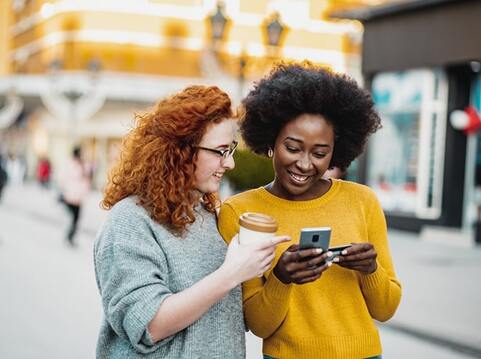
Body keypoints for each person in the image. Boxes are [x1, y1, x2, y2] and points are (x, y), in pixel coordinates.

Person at [218, 63, 402, 359]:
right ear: (271, 141)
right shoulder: (239, 212)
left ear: (336, 152)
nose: (305, 164)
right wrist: (281, 277)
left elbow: (386, 309)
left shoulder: (362, 200)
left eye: (319, 153)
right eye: (293, 148)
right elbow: (258, 325)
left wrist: (370, 269)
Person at [93, 86, 287, 358]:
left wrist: (280, 273)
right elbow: (148, 325)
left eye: (230, 149)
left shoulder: (208, 216)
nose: (229, 163)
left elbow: (233, 319)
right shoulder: (129, 221)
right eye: (220, 151)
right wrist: (230, 273)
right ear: (179, 151)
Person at [58, 146, 90, 245]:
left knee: (76, 219)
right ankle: (69, 236)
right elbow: (62, 178)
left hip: (79, 197)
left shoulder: (84, 165)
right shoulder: (69, 164)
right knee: (73, 218)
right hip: (70, 196)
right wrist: (65, 191)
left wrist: (85, 192)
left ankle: (70, 236)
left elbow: (86, 180)